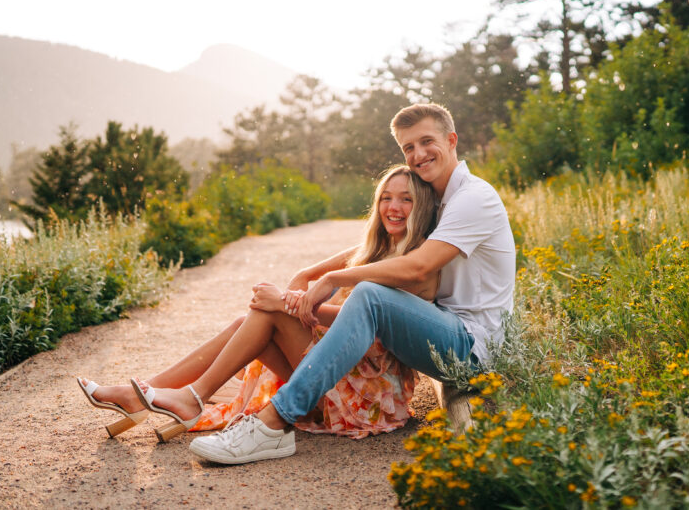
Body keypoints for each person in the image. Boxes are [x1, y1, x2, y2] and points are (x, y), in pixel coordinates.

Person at [187, 102, 515, 465]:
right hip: (440, 329)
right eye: (408, 147)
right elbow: (381, 244)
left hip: (471, 346)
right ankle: (184, 395)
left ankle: (273, 424)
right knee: (358, 296)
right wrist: (314, 271)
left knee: (370, 295)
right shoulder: (436, 197)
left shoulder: (472, 198)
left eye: (426, 141)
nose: (418, 154)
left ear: (451, 140)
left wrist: (333, 279)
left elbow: (417, 267)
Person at [77, 164, 438, 444]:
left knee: (268, 313)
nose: (394, 207)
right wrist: (300, 280)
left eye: (406, 199)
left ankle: (186, 396)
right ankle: (146, 394)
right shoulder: (378, 247)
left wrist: (286, 303)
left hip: (367, 398)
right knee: (247, 322)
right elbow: (322, 269)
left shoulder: (417, 262)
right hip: (342, 375)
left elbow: (362, 323)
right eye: (386, 197)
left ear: (420, 206)